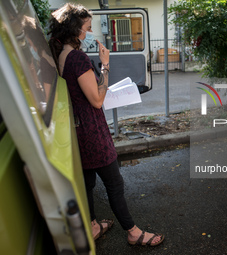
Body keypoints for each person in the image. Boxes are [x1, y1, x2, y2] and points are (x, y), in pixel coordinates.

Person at [48, 3, 164, 247]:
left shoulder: (61, 55)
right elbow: (97, 100)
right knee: (114, 184)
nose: (90, 33)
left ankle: (92, 226)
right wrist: (105, 65)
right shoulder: (78, 59)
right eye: (87, 29)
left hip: (78, 129)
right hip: (92, 132)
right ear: (75, 30)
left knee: (88, 183)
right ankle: (133, 232)